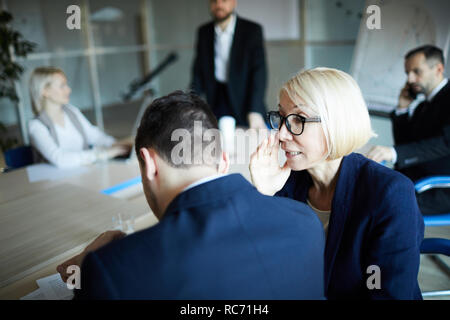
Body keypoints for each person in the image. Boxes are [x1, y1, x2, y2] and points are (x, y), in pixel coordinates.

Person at [57, 91, 326, 299]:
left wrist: (85, 274)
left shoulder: (113, 269)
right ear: (223, 161)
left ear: (149, 163)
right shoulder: (305, 222)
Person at [249, 68, 424, 299]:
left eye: (298, 119)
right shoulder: (285, 186)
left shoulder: (389, 194)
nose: (281, 134)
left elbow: (387, 295)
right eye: (281, 118)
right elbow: (263, 273)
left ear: (336, 123)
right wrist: (263, 195)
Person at [367, 45, 450, 214]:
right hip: (415, 180)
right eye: (407, 73)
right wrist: (403, 109)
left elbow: (445, 143)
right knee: (362, 189)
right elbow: (405, 144)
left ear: (438, 69)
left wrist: (393, 152)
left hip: (440, 188)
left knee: (376, 203)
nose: (410, 79)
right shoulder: (422, 106)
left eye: (416, 72)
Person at [28, 67, 129, 168]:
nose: (68, 90)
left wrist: (116, 145)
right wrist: (102, 154)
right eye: (62, 86)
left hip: (84, 172)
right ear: (45, 91)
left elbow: (95, 136)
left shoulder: (72, 111)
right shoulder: (36, 126)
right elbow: (59, 159)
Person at [191, 0, 267, 129]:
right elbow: (198, 73)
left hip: (245, 99)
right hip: (216, 97)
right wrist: (190, 106)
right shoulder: (203, 32)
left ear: (234, 2)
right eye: (214, 1)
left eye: (224, 0)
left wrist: (255, 109)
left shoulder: (252, 30)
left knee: (247, 140)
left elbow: (259, 72)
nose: (219, 5)